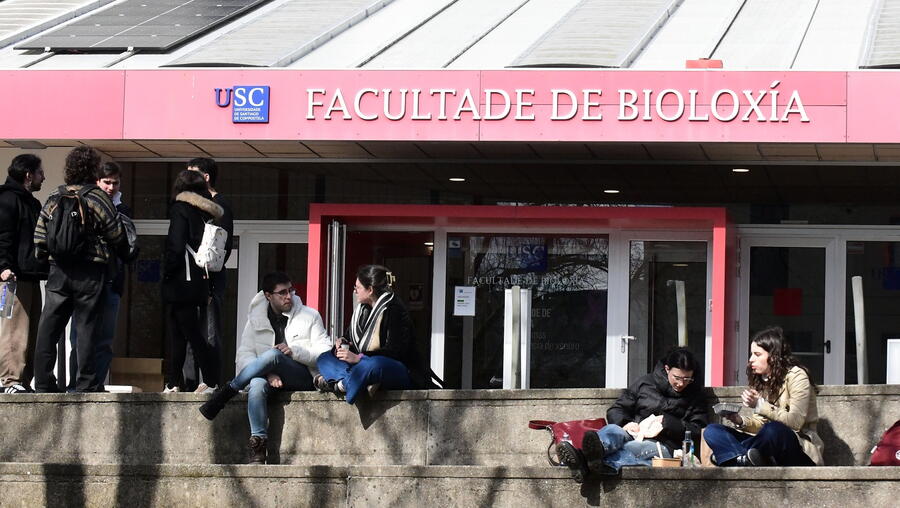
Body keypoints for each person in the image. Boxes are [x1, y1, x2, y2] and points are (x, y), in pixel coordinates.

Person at [198, 271, 331, 464]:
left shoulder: (309, 316)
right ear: (268, 295)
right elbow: (244, 355)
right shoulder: (255, 320)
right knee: (257, 384)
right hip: (270, 378)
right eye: (282, 293)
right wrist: (267, 372)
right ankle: (258, 448)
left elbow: (324, 352)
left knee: (274, 355)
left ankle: (227, 392)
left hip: (302, 375)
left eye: (290, 291)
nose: (289, 296)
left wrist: (295, 351)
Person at [32, 146, 131, 393]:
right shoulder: (98, 198)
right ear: (93, 170)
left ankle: (43, 382)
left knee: (49, 327)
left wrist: (49, 259)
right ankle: (86, 383)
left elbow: (40, 236)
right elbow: (116, 234)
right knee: (87, 328)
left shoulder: (55, 197)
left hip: (58, 271)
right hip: (90, 272)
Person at [557, 348, 708, 483]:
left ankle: (582, 461)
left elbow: (698, 430)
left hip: (666, 444)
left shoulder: (696, 395)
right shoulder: (645, 383)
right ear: (667, 369)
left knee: (631, 448)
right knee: (612, 430)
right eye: (677, 377)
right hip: (634, 431)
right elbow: (617, 409)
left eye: (687, 379)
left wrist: (668, 423)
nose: (681, 383)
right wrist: (626, 423)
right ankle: (595, 450)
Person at [703, 326, 824, 467]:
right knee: (712, 431)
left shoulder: (797, 376)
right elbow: (759, 425)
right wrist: (740, 421)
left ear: (773, 356)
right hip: (766, 446)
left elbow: (795, 422)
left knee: (773, 430)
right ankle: (743, 458)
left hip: (796, 448)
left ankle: (732, 456)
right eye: (751, 354)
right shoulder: (762, 379)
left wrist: (760, 405)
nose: (751, 359)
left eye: (757, 354)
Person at [314, 264, 431, 405]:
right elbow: (349, 339)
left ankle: (342, 385)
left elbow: (396, 352)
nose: (355, 291)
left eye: (357, 288)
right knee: (325, 358)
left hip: (396, 368)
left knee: (374, 364)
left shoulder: (395, 310)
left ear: (370, 290)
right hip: (360, 366)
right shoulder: (361, 310)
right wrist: (342, 342)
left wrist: (359, 358)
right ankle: (357, 381)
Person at [67, 162, 134, 391]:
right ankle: (75, 384)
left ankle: (96, 384)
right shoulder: (85, 204)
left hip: (111, 281)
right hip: (86, 281)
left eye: (115, 182)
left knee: (104, 340)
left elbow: (127, 247)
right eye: (107, 182)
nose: (111, 187)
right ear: (97, 182)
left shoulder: (123, 210)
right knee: (79, 337)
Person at [161, 170, 222, 393]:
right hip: (197, 280)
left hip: (180, 282)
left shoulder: (180, 209)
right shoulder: (203, 213)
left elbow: (175, 246)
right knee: (180, 332)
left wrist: (167, 274)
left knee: (191, 334)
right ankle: (172, 383)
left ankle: (211, 380)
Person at [0, 154, 48, 393]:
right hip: (12, 278)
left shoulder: (31, 202)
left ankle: (22, 381)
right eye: (40, 172)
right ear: (28, 175)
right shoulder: (7, 200)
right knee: (14, 330)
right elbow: (3, 237)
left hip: (30, 275)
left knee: (30, 331)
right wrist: (3, 267)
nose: (43, 177)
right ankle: (10, 380)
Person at [185, 157, 233, 393]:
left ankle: (210, 381)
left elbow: (219, 246)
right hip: (189, 281)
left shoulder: (219, 205)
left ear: (206, 178)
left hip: (209, 280)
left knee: (210, 331)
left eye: (191, 175)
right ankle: (189, 382)